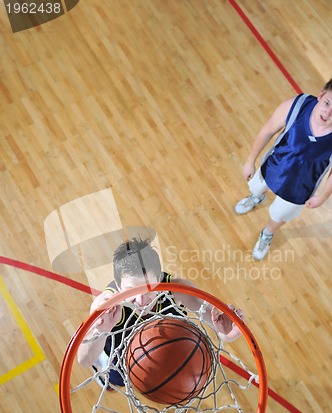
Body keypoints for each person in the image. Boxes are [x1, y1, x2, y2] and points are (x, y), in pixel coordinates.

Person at [77, 237, 244, 389]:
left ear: (159, 278)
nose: (141, 300)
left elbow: (218, 324)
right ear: (118, 287)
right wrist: (100, 330)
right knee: (114, 383)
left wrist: (227, 332)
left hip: (162, 348)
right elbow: (84, 361)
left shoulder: (177, 288)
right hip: (120, 357)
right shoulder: (107, 306)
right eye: (130, 291)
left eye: (149, 288)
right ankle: (102, 372)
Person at [235, 78, 332, 260]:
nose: (328, 112)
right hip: (273, 167)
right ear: (321, 95)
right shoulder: (297, 106)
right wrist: (250, 160)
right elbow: (267, 131)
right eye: (327, 103)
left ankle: (267, 233)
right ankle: (256, 197)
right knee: (255, 188)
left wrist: (323, 197)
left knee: (279, 215)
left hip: (300, 189)